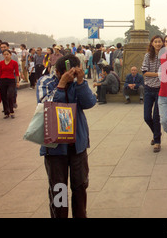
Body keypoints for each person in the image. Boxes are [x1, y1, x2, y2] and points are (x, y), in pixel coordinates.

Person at [36, 54, 96, 218]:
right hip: (55, 147)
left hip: (77, 144)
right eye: (66, 75)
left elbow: (89, 102)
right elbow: (45, 104)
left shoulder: (78, 83)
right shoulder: (46, 82)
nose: (71, 78)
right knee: (59, 188)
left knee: (80, 186)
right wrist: (62, 85)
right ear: (57, 71)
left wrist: (81, 83)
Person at [141, 35, 163, 152]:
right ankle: (157, 133)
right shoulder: (148, 55)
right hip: (148, 88)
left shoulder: (166, 55)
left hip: (161, 89)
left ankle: (157, 141)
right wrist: (158, 74)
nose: (158, 44)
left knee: (156, 117)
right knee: (146, 117)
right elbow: (144, 71)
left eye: (160, 42)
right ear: (152, 43)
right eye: (156, 42)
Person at [0, 49, 20, 118]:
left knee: (10, 95)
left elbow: (17, 73)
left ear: (10, 55)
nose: (6, 56)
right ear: (3, 55)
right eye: (4, 54)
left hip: (11, 81)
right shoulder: (0, 63)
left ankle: (11, 111)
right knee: (3, 97)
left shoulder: (14, 63)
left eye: (7, 54)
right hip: (2, 81)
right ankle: (6, 112)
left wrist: (17, 82)